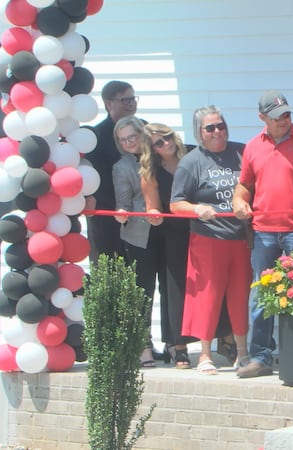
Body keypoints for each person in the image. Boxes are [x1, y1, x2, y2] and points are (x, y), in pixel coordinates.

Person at [232, 91, 293, 379]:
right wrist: (239, 202)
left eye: (287, 114)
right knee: (261, 294)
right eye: (278, 117)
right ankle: (261, 357)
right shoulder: (252, 147)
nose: (285, 120)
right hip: (263, 230)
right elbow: (244, 186)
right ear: (262, 118)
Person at [170, 106, 250, 376]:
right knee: (208, 296)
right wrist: (197, 209)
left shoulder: (242, 152)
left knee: (240, 295)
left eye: (221, 126)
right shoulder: (191, 162)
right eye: (211, 128)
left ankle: (242, 352)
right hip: (208, 238)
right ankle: (205, 354)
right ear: (199, 133)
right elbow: (175, 204)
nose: (218, 132)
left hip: (240, 237)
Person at [139, 123, 192, 369]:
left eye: (168, 137)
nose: (166, 144)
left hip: (203, 229)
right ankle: (178, 345)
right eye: (158, 143)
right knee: (176, 290)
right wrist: (153, 213)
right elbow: (152, 205)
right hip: (172, 234)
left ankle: (223, 340)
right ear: (152, 149)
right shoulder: (150, 171)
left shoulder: (193, 155)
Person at [112, 115, 161, 368]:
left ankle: (176, 344)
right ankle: (143, 346)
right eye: (123, 140)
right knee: (143, 293)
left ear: (142, 134)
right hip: (138, 235)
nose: (129, 142)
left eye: (132, 136)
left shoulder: (159, 155)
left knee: (170, 290)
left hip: (166, 230)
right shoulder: (122, 167)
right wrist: (122, 213)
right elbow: (123, 202)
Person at [86, 81, 138, 262]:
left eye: (133, 99)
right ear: (109, 104)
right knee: (109, 269)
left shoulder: (145, 129)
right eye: (125, 100)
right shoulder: (95, 136)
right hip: (107, 216)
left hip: (140, 215)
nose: (131, 103)